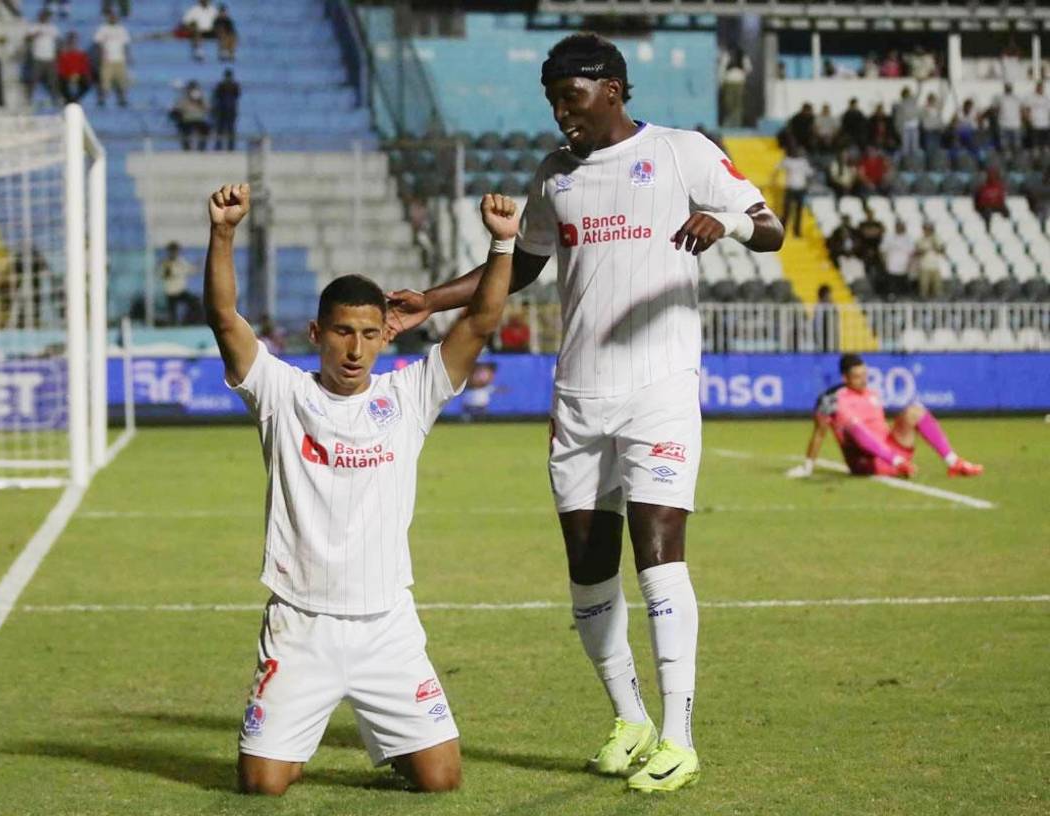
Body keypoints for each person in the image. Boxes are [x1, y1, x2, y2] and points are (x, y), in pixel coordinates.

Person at [385, 33, 784, 794]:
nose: (560, 111)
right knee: (587, 565)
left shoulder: (681, 152)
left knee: (659, 547)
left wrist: (724, 223)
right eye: (552, 99)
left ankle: (679, 737)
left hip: (659, 387)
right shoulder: (554, 176)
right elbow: (525, 263)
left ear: (613, 88)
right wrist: (428, 302)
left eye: (570, 96)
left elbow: (771, 229)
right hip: (578, 394)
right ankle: (629, 717)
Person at [204, 182, 519, 796]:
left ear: (385, 336)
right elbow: (223, 318)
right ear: (317, 332)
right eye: (343, 332)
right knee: (263, 784)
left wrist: (502, 245)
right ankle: (297, 734)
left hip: (387, 626)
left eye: (368, 334)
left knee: (441, 780)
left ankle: (397, 740)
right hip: (302, 623)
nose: (355, 349)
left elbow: (481, 320)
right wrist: (223, 233)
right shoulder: (281, 394)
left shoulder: (408, 396)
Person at [786, 354, 983, 480]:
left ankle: (954, 463)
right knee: (853, 424)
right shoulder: (834, 401)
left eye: (865, 375)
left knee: (915, 410)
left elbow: (880, 426)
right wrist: (808, 467)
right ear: (845, 378)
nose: (863, 380)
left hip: (892, 450)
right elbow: (819, 434)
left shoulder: (872, 394)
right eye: (857, 377)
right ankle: (897, 463)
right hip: (868, 462)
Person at [94, 9, 131, 107]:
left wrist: (128, 57)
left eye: (115, 17)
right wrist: (99, 57)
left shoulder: (121, 29)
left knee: (122, 81)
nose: (113, 19)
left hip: (120, 59)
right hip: (107, 59)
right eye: (111, 17)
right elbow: (98, 44)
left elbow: (125, 45)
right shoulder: (103, 29)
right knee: (105, 81)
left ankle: (122, 99)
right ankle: (102, 99)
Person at [25, 8, 60, 105]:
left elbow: (57, 42)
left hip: (50, 58)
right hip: (38, 58)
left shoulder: (52, 28)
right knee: (33, 80)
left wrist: (57, 55)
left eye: (47, 16)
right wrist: (35, 35)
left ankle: (55, 99)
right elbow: (27, 39)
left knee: (53, 81)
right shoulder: (34, 27)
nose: (45, 17)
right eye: (43, 15)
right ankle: (29, 99)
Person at [776, 147, 812, 238]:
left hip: (800, 189)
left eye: (798, 151)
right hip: (790, 189)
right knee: (786, 211)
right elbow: (777, 168)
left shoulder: (803, 162)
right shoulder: (788, 161)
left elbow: (809, 174)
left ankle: (797, 231)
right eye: (795, 150)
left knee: (798, 212)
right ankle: (783, 230)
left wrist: (807, 185)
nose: (796, 152)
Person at [159, 241, 198, 325]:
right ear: (169, 252)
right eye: (172, 251)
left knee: (195, 303)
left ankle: (188, 321)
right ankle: (174, 327)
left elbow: (191, 270)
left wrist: (198, 266)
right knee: (172, 314)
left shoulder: (181, 262)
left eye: (176, 251)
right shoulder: (165, 264)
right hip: (171, 293)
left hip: (181, 291)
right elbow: (163, 274)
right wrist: (168, 271)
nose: (174, 253)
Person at [171, 80, 210, 150]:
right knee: (184, 130)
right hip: (187, 120)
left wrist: (200, 101)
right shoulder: (184, 98)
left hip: (199, 120)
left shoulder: (202, 99)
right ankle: (186, 148)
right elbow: (178, 108)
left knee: (205, 129)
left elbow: (207, 108)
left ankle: (201, 148)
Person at [879, 220, 915, 299]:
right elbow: (882, 251)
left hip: (904, 266)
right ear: (896, 226)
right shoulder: (888, 237)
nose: (901, 227)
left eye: (902, 225)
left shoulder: (909, 238)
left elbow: (912, 253)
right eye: (899, 225)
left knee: (903, 287)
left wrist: (910, 265)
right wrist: (884, 263)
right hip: (891, 266)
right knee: (891, 286)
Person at [717, 47, 750, 128]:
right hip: (732, 82)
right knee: (730, 104)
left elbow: (748, 68)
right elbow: (722, 69)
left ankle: (736, 124)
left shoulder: (742, 55)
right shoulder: (727, 55)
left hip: (736, 81)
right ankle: (730, 123)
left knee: (737, 105)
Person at [912, 223, 946, 300]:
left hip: (935, 267)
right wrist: (922, 251)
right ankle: (923, 303)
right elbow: (916, 253)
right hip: (924, 267)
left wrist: (935, 246)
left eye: (930, 229)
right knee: (924, 288)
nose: (928, 231)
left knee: (938, 288)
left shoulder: (937, 239)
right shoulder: (919, 240)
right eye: (926, 229)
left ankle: (938, 304)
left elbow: (942, 251)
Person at [56, 32, 92, 103]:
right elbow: (61, 67)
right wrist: (68, 75)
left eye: (74, 41)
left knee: (86, 84)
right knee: (61, 84)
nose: (73, 43)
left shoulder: (81, 53)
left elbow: (84, 66)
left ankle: (76, 98)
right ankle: (68, 99)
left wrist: (79, 74)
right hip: (66, 75)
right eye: (71, 41)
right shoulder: (64, 54)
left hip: (79, 74)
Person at [211, 69, 240, 151]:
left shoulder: (233, 85)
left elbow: (237, 95)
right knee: (222, 129)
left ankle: (229, 147)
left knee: (228, 129)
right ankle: (220, 146)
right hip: (224, 110)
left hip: (229, 110)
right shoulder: (223, 85)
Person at [993, 83, 1023, 152]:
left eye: (1009, 87)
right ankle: (1007, 160)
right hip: (1004, 124)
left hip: (1015, 124)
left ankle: (1016, 159)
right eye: (1007, 87)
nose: (1008, 89)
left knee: (1016, 144)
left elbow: (1021, 110)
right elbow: (996, 110)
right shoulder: (1000, 98)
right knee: (1005, 144)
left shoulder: (1017, 98)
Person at [811, 284, 837, 352]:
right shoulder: (818, 307)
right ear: (823, 296)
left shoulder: (832, 306)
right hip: (822, 337)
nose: (830, 297)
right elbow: (817, 324)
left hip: (831, 337)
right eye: (828, 295)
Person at [1027, 81, 1050, 149]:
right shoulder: (1031, 97)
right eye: (1038, 88)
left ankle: (1046, 154)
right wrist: (1029, 119)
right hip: (1035, 123)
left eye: (1041, 88)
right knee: (1035, 142)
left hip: (1045, 123)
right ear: (1036, 88)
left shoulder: (1046, 98)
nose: (1040, 89)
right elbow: (1028, 109)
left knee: (1046, 142)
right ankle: (1036, 155)